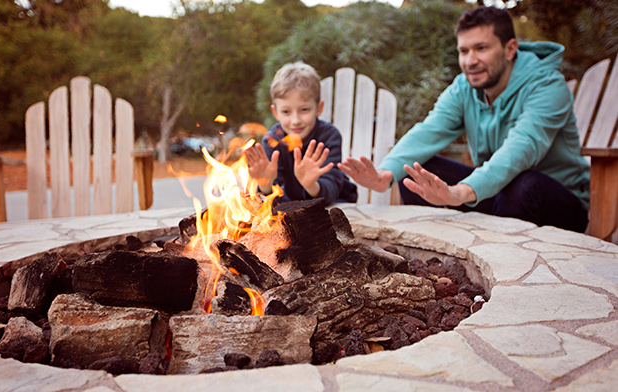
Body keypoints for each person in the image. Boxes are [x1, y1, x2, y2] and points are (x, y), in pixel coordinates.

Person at [338, 6, 590, 233]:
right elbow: (429, 131)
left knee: (524, 184)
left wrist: (459, 192)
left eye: (481, 48)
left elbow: (522, 148)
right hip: (499, 195)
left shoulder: (548, 85)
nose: (470, 61)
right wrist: (384, 175)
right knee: (416, 172)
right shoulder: (464, 88)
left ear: (510, 49)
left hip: (558, 205)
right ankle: (435, 261)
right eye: (464, 51)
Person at [244, 61, 357, 205]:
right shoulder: (272, 141)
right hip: (294, 209)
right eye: (286, 112)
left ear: (319, 108)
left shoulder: (329, 136)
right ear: (275, 112)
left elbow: (332, 186)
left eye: (304, 110)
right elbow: (271, 200)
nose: (295, 120)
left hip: (335, 206)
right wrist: (265, 184)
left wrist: (311, 184)